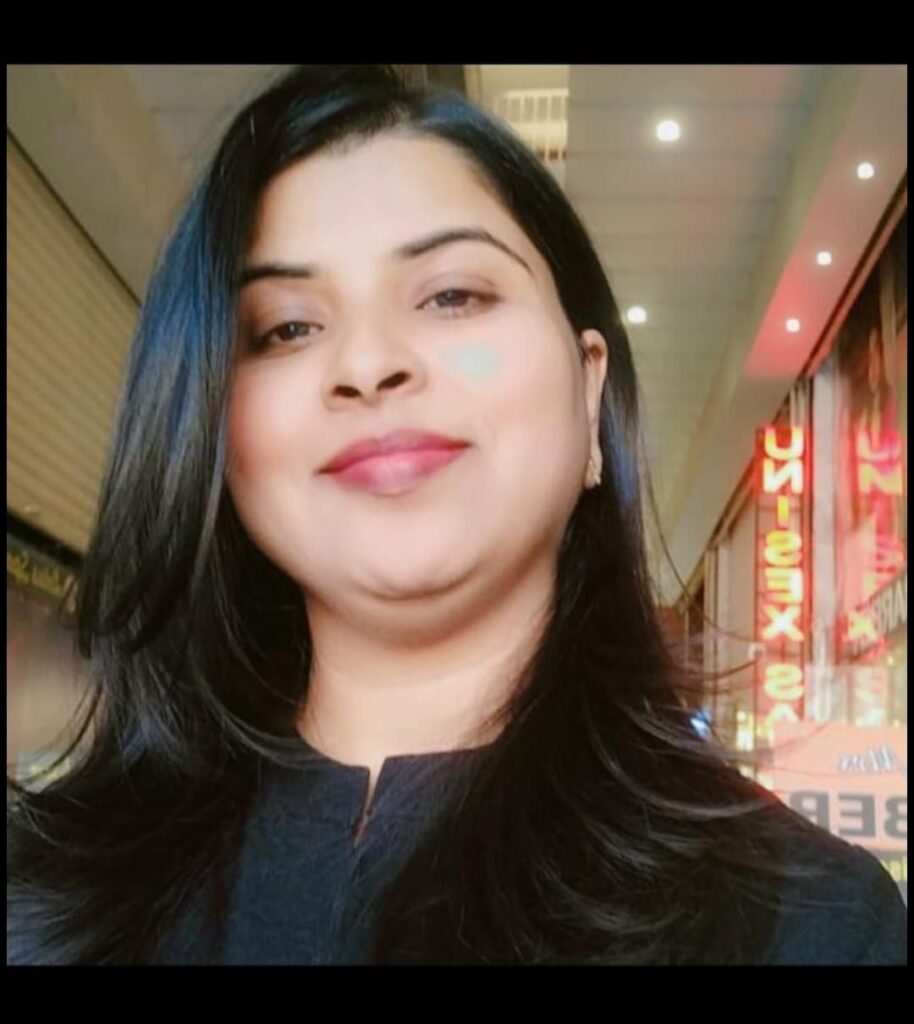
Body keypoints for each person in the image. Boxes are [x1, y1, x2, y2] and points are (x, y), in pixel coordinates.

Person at [7, 64, 906, 966]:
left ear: (589, 391)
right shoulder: (44, 892)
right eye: (286, 328)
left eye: (452, 296)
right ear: (213, 434)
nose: (368, 363)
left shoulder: (810, 922)